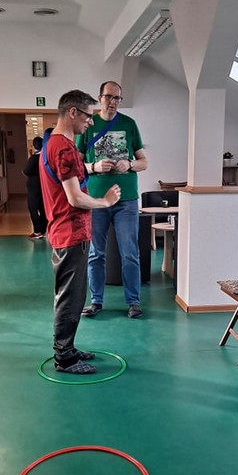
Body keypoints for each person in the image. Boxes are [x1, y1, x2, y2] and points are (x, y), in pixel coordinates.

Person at [39, 90, 121, 374]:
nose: (91, 121)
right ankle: (64, 358)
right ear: (73, 112)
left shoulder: (50, 141)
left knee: (71, 294)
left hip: (63, 230)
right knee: (71, 297)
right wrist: (105, 202)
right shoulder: (65, 148)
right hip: (71, 232)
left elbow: (68, 174)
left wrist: (90, 167)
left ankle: (68, 347)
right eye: (88, 115)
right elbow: (75, 198)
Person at [77, 80, 148, 319]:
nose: (113, 102)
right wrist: (94, 166)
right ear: (100, 98)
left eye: (117, 98)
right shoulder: (89, 125)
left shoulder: (129, 124)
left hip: (126, 200)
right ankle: (96, 301)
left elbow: (144, 162)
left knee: (130, 252)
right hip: (96, 200)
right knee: (96, 253)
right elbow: (76, 164)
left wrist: (129, 164)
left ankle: (134, 302)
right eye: (109, 97)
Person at [22, 136, 47, 240]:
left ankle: (37, 231)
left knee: (33, 208)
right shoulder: (45, 157)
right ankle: (43, 230)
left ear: (34, 146)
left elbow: (26, 171)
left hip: (34, 187)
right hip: (44, 186)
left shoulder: (34, 158)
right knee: (43, 208)